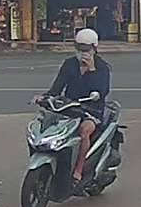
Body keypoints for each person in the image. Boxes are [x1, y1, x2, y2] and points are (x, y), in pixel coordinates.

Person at [33, 28, 111, 186]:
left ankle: (78, 171)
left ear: (94, 48)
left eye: (86, 49)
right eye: (79, 48)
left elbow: (102, 91)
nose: (83, 53)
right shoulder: (69, 64)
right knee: (44, 124)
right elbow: (58, 86)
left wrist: (92, 70)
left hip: (91, 110)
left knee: (84, 131)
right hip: (68, 107)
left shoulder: (102, 67)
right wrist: (45, 97)